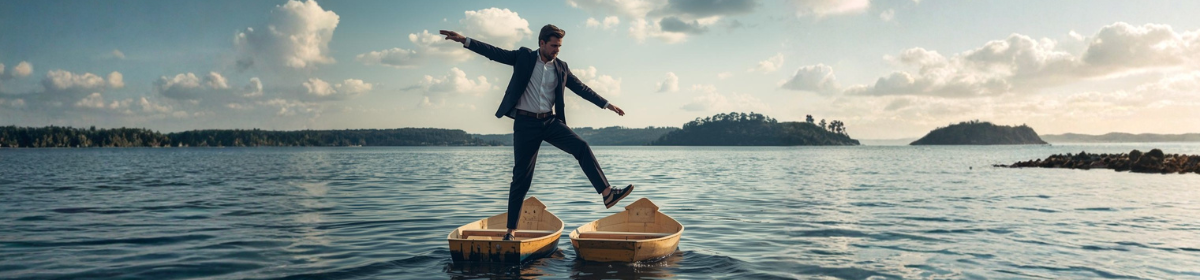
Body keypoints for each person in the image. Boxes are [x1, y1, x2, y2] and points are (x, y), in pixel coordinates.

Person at [440, 24, 635, 241]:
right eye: (553, 46)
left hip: (550, 122)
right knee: (521, 177)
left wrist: (607, 104)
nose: (557, 50)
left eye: (559, 46)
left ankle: (607, 194)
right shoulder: (524, 57)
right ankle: (510, 232)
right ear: (541, 43)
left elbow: (581, 88)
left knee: (581, 146)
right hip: (525, 124)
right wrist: (464, 40)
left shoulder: (561, 67)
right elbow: (494, 53)